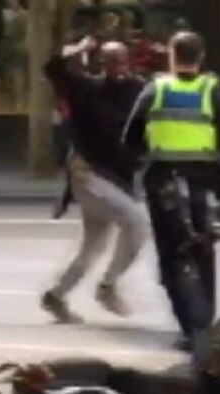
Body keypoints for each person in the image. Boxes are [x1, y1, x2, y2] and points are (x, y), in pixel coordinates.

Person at [123, 31, 220, 349]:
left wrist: (149, 154)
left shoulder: (155, 90)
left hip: (164, 186)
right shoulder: (213, 92)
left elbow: (129, 139)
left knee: (172, 257)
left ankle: (191, 328)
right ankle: (206, 324)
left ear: (171, 56)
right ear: (201, 57)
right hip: (204, 186)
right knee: (203, 251)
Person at [41, 39, 148, 322]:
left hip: (116, 179)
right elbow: (52, 68)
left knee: (93, 247)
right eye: (113, 63)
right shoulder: (86, 88)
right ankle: (108, 287)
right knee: (136, 222)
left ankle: (56, 296)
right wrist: (76, 49)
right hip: (88, 175)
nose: (120, 69)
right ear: (102, 64)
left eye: (124, 63)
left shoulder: (137, 90)